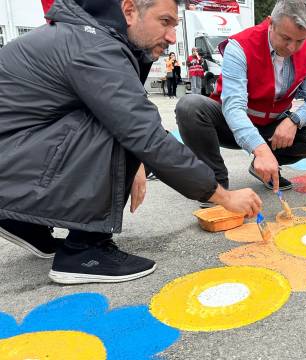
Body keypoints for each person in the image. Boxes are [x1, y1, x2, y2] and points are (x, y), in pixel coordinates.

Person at [0, 0, 261, 284]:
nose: (173, 36)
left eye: (175, 26)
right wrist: (223, 196)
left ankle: (22, 221)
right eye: (165, 22)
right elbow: (143, 133)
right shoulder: (95, 47)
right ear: (129, 11)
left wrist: (133, 162)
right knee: (124, 128)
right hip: (12, 161)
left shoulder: (87, 35)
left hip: (13, 161)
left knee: (126, 127)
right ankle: (85, 251)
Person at [176, 0, 306, 196]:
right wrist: (260, 149)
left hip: (271, 126)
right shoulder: (240, 46)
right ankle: (215, 185)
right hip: (228, 124)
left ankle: (265, 166)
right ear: (270, 23)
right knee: (190, 106)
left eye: (300, 40)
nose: (292, 47)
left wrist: (294, 120)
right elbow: (234, 107)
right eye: (286, 38)